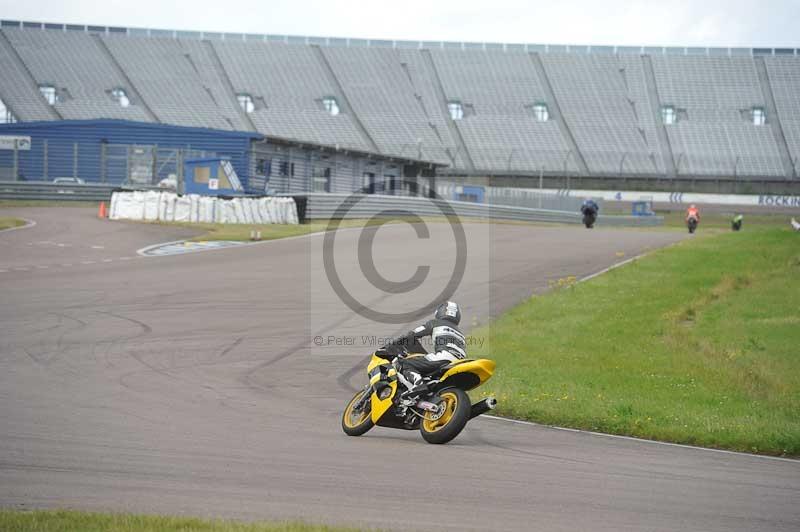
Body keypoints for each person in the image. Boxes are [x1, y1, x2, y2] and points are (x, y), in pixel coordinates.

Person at [381, 301, 467, 398]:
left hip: (444, 357)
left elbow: (412, 335)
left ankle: (418, 384)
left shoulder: (435, 323)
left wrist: (392, 344)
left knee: (402, 363)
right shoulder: (460, 333)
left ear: (440, 312)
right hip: (459, 362)